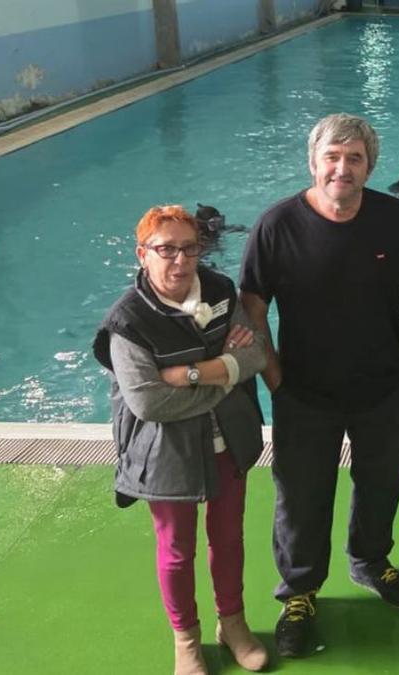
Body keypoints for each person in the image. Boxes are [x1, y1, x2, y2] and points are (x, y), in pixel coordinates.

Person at [239, 113, 399, 657]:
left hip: (383, 388)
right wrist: (275, 378)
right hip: (304, 392)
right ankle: (299, 590)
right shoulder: (276, 225)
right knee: (300, 497)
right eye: (332, 157)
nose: (341, 169)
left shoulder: (394, 219)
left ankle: (370, 560)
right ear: (313, 161)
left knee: (382, 481)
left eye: (354, 158)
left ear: (369, 166)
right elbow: (253, 306)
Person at [92, 205, 269, 675]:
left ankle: (232, 623)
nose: (179, 260)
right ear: (142, 254)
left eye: (188, 248)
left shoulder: (218, 289)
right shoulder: (127, 321)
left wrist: (193, 374)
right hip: (164, 450)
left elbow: (255, 355)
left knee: (228, 538)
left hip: (227, 440)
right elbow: (149, 404)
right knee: (176, 550)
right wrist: (224, 377)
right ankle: (185, 638)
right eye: (165, 249)